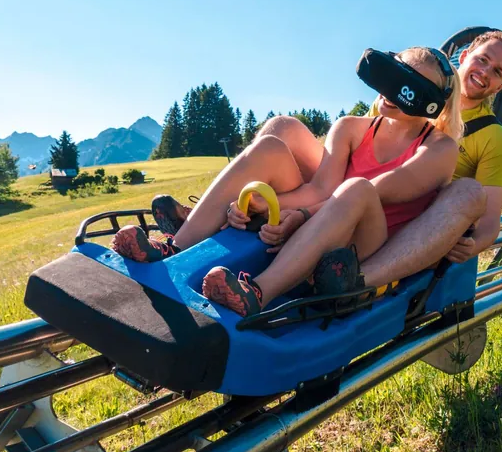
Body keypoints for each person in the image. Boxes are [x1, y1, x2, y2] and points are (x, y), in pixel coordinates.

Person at [110, 46, 464, 317]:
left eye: (410, 88)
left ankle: (258, 293)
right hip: (322, 215)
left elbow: (376, 191)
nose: (393, 92)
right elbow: (320, 190)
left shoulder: (439, 148)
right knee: (274, 141)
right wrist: (265, 202)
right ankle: (176, 245)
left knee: (357, 189)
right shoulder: (351, 128)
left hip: (365, 242)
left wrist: (303, 215)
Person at [355, 30, 502, 289]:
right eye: (483, 59)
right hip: (363, 203)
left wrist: (473, 244)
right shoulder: (408, 92)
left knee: (468, 191)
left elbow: (489, 222)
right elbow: (358, 143)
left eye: (498, 72)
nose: (486, 72)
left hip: (415, 230)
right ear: (464, 56)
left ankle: (358, 282)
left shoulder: (492, 136)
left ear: (500, 87)